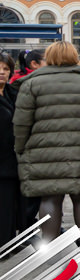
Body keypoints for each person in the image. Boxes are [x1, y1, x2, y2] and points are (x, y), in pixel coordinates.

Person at [13, 41, 80, 244]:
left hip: (43, 153)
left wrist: (20, 148)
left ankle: (50, 244)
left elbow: (22, 122)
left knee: (50, 197)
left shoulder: (32, 83)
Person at [0, 51, 36, 249]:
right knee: (4, 203)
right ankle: (4, 244)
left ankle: (14, 240)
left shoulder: (13, 94)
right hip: (2, 162)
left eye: (6, 69)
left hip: (16, 157)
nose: (2, 72)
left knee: (17, 202)